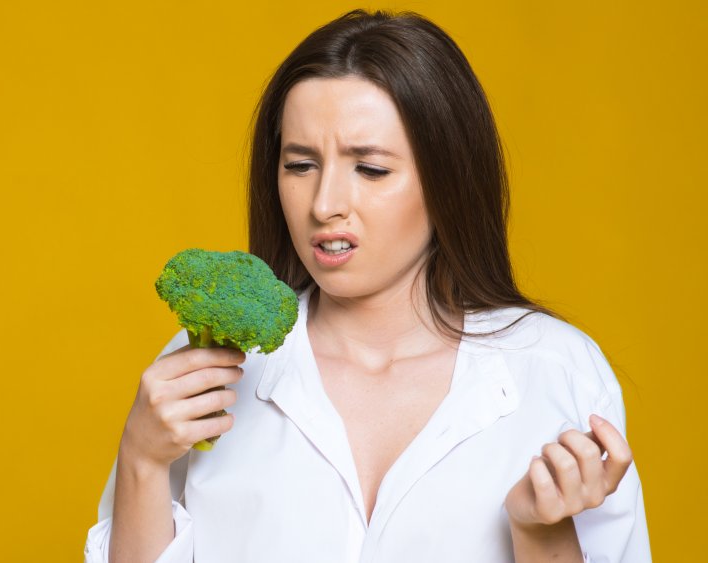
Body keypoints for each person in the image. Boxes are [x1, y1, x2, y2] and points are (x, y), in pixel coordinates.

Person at [84, 8, 651, 563]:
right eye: (300, 165)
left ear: (447, 177)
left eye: (371, 169)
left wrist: (540, 532)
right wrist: (141, 457)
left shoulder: (558, 375)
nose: (325, 204)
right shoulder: (203, 371)